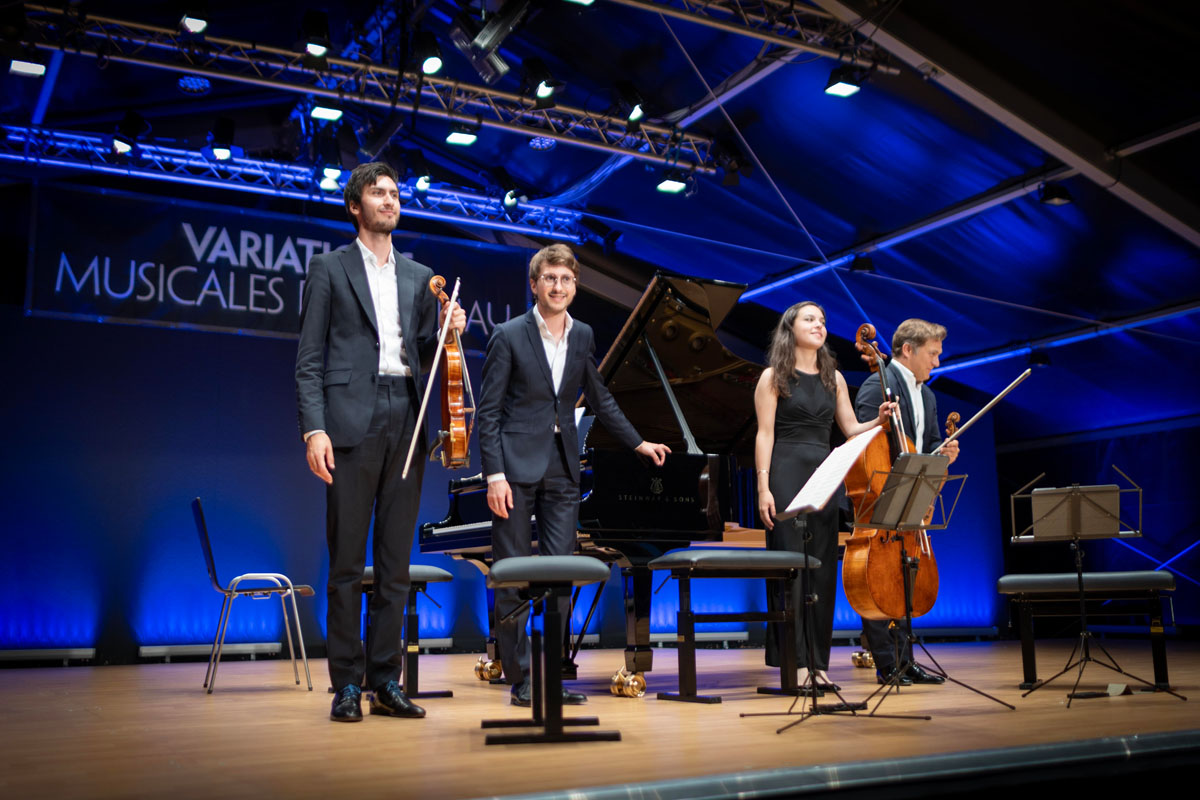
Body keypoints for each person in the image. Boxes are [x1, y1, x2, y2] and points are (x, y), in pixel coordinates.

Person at [296, 161, 466, 722]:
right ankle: (346, 683)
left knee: (395, 564)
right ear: (355, 206)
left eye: (394, 193)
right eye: (378, 193)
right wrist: (314, 428)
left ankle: (386, 680)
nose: (390, 200)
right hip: (349, 418)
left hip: (406, 416)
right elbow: (310, 359)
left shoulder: (420, 275)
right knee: (347, 563)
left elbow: (424, 353)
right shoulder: (328, 268)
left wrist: (449, 332)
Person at [477, 243, 671, 707]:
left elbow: (600, 398)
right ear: (534, 284)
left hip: (563, 469)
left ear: (575, 286)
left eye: (566, 279)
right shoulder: (508, 334)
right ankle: (522, 678)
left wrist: (638, 443)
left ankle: (552, 674)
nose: (558, 286)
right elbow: (488, 413)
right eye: (550, 278)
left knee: (561, 574)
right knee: (512, 573)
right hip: (514, 468)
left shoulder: (582, 334)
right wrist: (494, 475)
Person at [755, 301, 894, 691]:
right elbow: (765, 434)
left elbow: (850, 429)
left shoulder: (835, 378)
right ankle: (795, 663)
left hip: (826, 474)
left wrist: (879, 421)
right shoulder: (773, 377)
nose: (819, 325)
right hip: (786, 472)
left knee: (821, 571)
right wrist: (763, 487)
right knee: (792, 570)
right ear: (791, 328)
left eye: (822, 320)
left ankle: (817, 663)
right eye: (810, 319)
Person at [852, 318, 959, 686]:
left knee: (905, 576)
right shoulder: (876, 385)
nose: (937, 362)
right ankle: (887, 661)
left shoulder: (927, 395)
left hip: (913, 494)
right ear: (908, 350)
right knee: (881, 578)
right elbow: (865, 444)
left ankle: (907, 658)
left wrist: (943, 452)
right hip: (880, 492)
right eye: (933, 354)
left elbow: (929, 442)